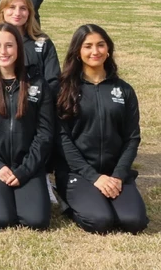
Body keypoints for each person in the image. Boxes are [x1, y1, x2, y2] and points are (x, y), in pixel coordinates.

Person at [56, 24, 148, 234]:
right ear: (78, 52)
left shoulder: (124, 90)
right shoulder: (64, 89)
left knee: (134, 222)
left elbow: (132, 138)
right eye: (87, 46)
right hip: (78, 173)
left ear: (108, 49)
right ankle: (68, 199)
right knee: (100, 221)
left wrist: (117, 176)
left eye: (100, 45)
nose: (95, 51)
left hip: (114, 173)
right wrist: (94, 177)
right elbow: (62, 139)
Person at [0, 23, 54, 231]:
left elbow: (44, 133)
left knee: (36, 221)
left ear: (19, 48)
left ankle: (38, 186)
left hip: (27, 166)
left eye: (9, 45)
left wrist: (26, 170)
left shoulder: (36, 82)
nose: (3, 52)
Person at [0, 0, 59, 93]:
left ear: (29, 12)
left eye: (23, 8)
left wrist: (41, 100)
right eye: (12, 7)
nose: (17, 13)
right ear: (2, 11)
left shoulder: (43, 43)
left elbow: (54, 81)